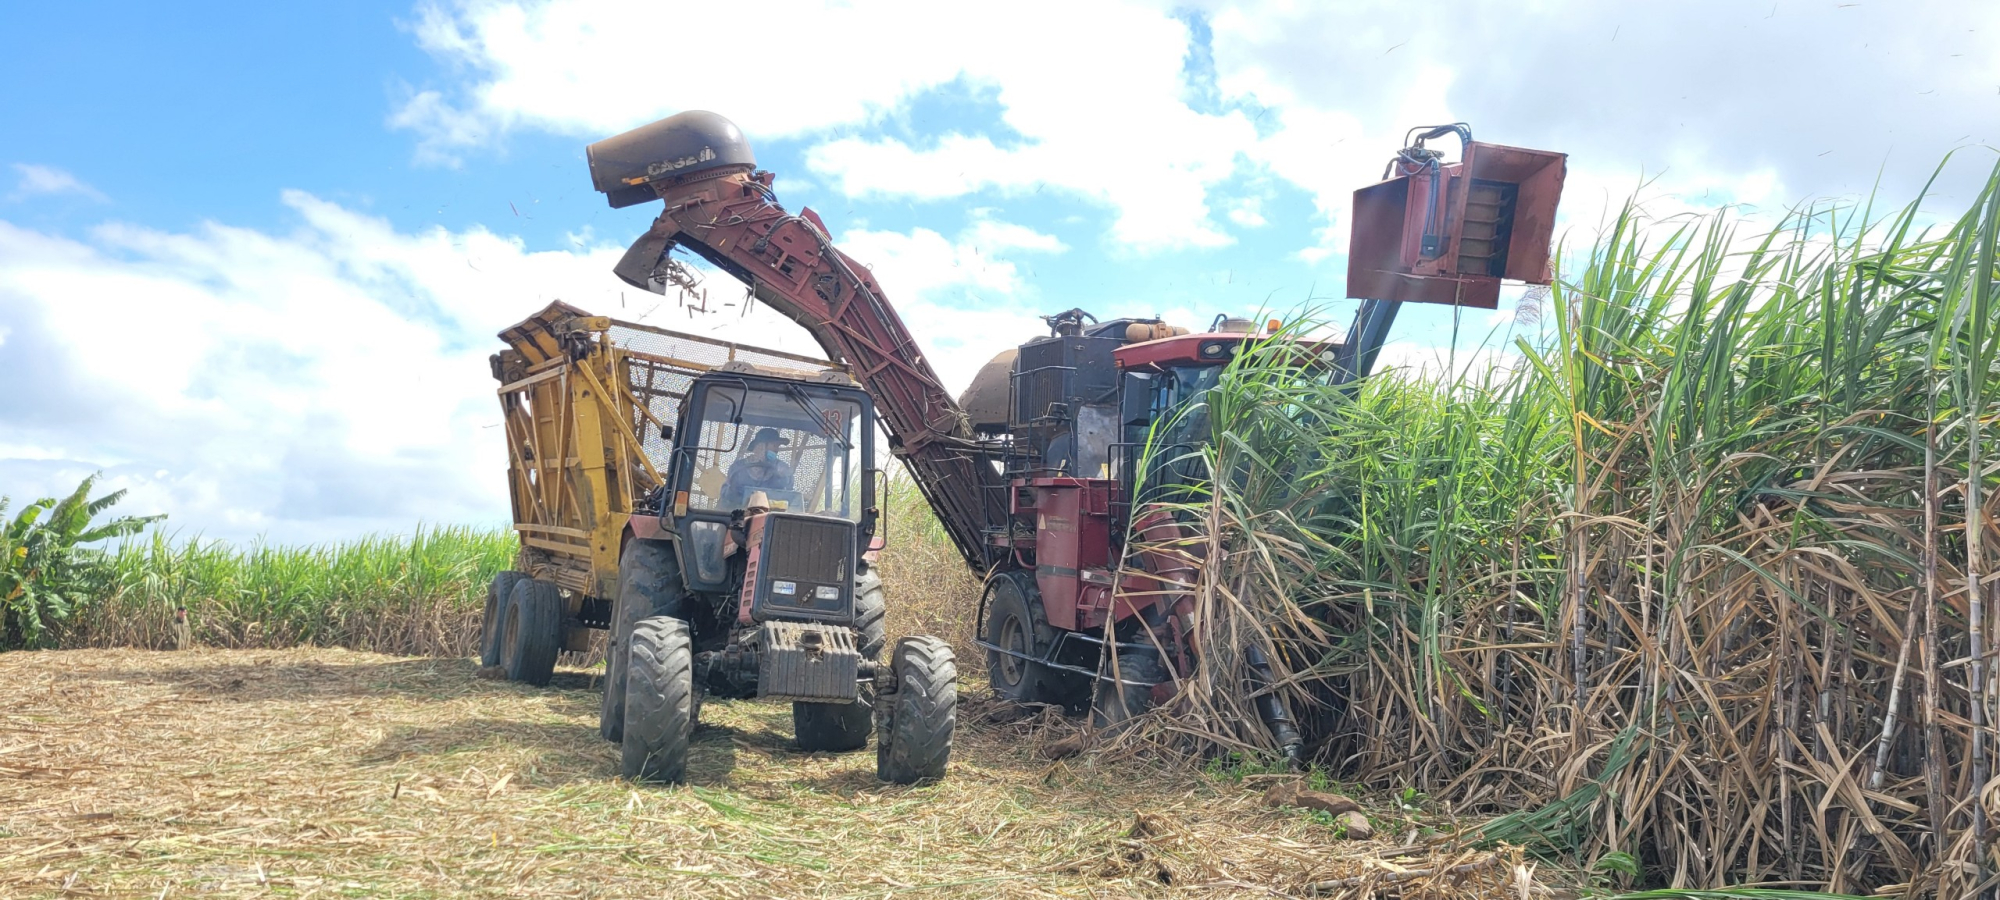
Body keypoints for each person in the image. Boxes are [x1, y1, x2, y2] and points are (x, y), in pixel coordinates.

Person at [720, 427, 794, 508]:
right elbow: (726, 496)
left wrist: (784, 477)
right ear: (761, 446)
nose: (777, 450)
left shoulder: (782, 468)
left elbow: (789, 495)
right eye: (774, 445)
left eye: (778, 446)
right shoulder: (738, 467)